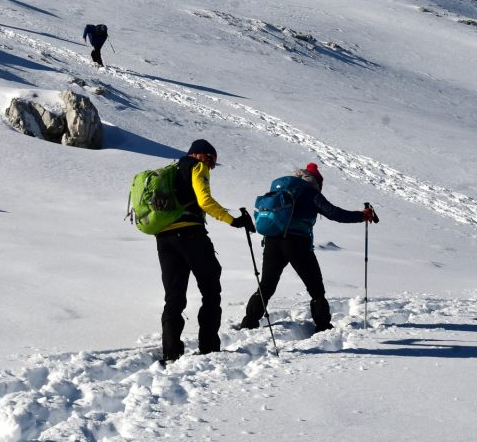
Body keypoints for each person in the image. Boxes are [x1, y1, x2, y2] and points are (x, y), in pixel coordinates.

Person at [240, 162, 376, 333]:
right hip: (297, 243)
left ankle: (249, 322)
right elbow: (334, 213)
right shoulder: (310, 192)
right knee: (315, 287)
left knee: (266, 284)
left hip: (272, 241)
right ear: (316, 181)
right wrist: (360, 216)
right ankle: (323, 326)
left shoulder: (281, 188)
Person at [155, 139, 254, 364]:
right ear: (200, 155)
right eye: (211, 160)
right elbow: (205, 201)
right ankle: (208, 348)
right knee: (210, 290)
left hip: (164, 238)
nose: (211, 166)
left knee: (173, 297)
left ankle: (171, 354)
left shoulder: (171, 170)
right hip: (191, 235)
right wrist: (234, 221)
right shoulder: (195, 167)